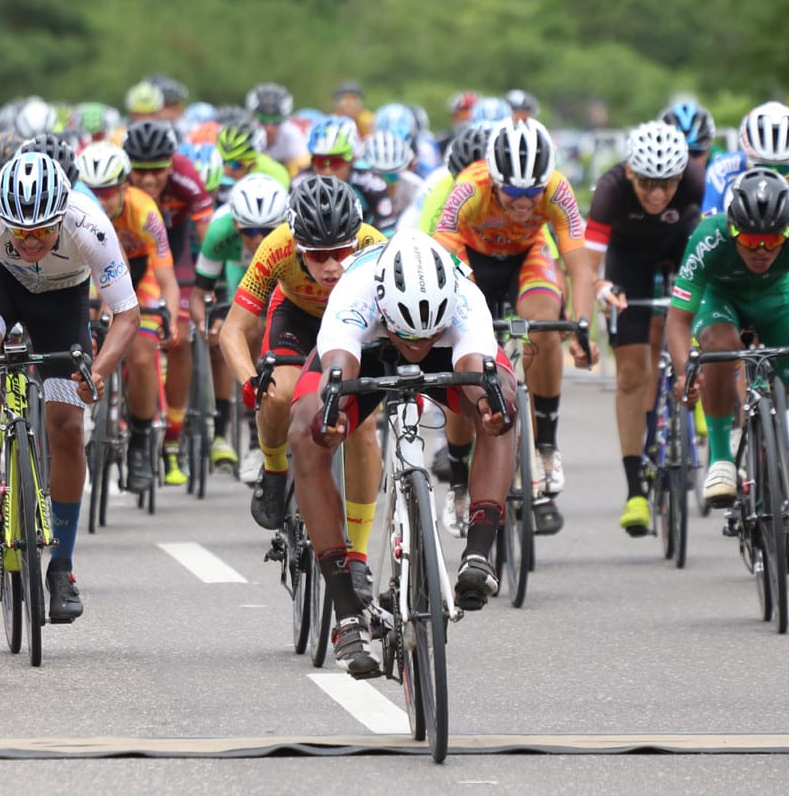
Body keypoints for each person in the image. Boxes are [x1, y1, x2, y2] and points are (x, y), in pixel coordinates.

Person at [287, 230, 518, 676]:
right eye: (407, 336)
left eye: (423, 336)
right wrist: (329, 418)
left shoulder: (465, 298)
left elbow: (477, 368)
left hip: (447, 349)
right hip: (368, 349)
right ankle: (347, 610)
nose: (415, 347)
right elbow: (337, 368)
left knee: (501, 399)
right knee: (305, 430)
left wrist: (492, 407)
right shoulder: (354, 294)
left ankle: (478, 552)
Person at [0, 153, 143, 621]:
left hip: (63, 304)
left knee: (65, 428)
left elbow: (127, 313)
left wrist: (98, 371)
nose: (30, 241)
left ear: (61, 216)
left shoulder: (89, 224)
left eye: (43, 232)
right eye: (19, 233)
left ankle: (61, 566)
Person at [219, 177, 387, 594]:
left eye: (341, 253)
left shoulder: (375, 246)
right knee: (276, 394)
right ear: (298, 248)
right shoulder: (275, 246)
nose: (332, 266)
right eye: (318, 255)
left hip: (355, 324)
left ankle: (359, 557)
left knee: (363, 424)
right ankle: (275, 471)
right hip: (298, 320)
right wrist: (248, 383)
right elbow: (232, 331)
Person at [434, 119, 598, 532]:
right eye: (513, 192)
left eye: (533, 192)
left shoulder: (559, 189)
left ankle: (546, 446)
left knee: (543, 323)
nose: (525, 202)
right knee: (462, 360)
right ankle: (458, 482)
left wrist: (581, 330)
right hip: (471, 261)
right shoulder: (469, 188)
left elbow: (579, 267)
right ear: (494, 178)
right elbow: (441, 264)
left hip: (528, 256)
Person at [664, 168, 789, 570]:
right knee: (721, 348)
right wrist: (686, 373)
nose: (761, 249)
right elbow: (678, 320)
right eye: (749, 240)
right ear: (731, 229)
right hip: (721, 300)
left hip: (780, 302)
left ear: (787, 230)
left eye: (772, 240)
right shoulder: (709, 237)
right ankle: (721, 457)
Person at [589, 121, 704, 536]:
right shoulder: (610, 189)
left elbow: (710, 250)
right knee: (633, 372)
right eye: (648, 185)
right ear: (632, 174)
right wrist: (600, 286)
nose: (657, 194)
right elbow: (588, 260)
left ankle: (693, 395)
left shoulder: (693, 181)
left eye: (667, 185)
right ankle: (635, 489)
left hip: (680, 240)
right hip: (628, 257)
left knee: (698, 322)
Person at [77, 142, 184, 492]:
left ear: (124, 186)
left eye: (107, 191)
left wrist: (167, 315)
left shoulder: (145, 211)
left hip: (141, 274)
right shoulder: (81, 211)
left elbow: (167, 279)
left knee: (140, 353)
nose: (100, 198)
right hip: (97, 271)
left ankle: (139, 439)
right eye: (92, 191)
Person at [125, 120, 215, 485]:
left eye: (157, 171)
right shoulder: (118, 181)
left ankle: (173, 437)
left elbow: (207, 239)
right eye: (140, 171)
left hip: (172, 253)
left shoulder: (185, 175)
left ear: (171, 163)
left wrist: (208, 289)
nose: (148, 180)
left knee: (179, 334)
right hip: (128, 252)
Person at [192, 173, 290, 474]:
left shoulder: (290, 234)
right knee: (242, 330)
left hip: (281, 277)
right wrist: (205, 325)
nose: (259, 239)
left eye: (267, 230)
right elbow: (199, 295)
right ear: (236, 225)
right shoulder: (219, 232)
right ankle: (253, 441)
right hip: (237, 277)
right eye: (250, 231)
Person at [702, 101, 789, 234]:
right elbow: (711, 237)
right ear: (746, 159)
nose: (773, 179)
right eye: (761, 168)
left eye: (784, 170)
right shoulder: (721, 170)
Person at [245, 82, 308, 171]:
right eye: (263, 119)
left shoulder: (291, 135)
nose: (269, 127)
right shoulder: (243, 133)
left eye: (276, 121)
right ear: (252, 117)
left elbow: (305, 166)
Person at [216, 115, 290, 190]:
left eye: (235, 164)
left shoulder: (275, 176)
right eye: (223, 161)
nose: (226, 171)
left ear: (253, 164)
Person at [660, 101, 717, 178]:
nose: (687, 163)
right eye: (677, 153)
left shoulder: (721, 162)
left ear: (709, 149)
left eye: (695, 153)